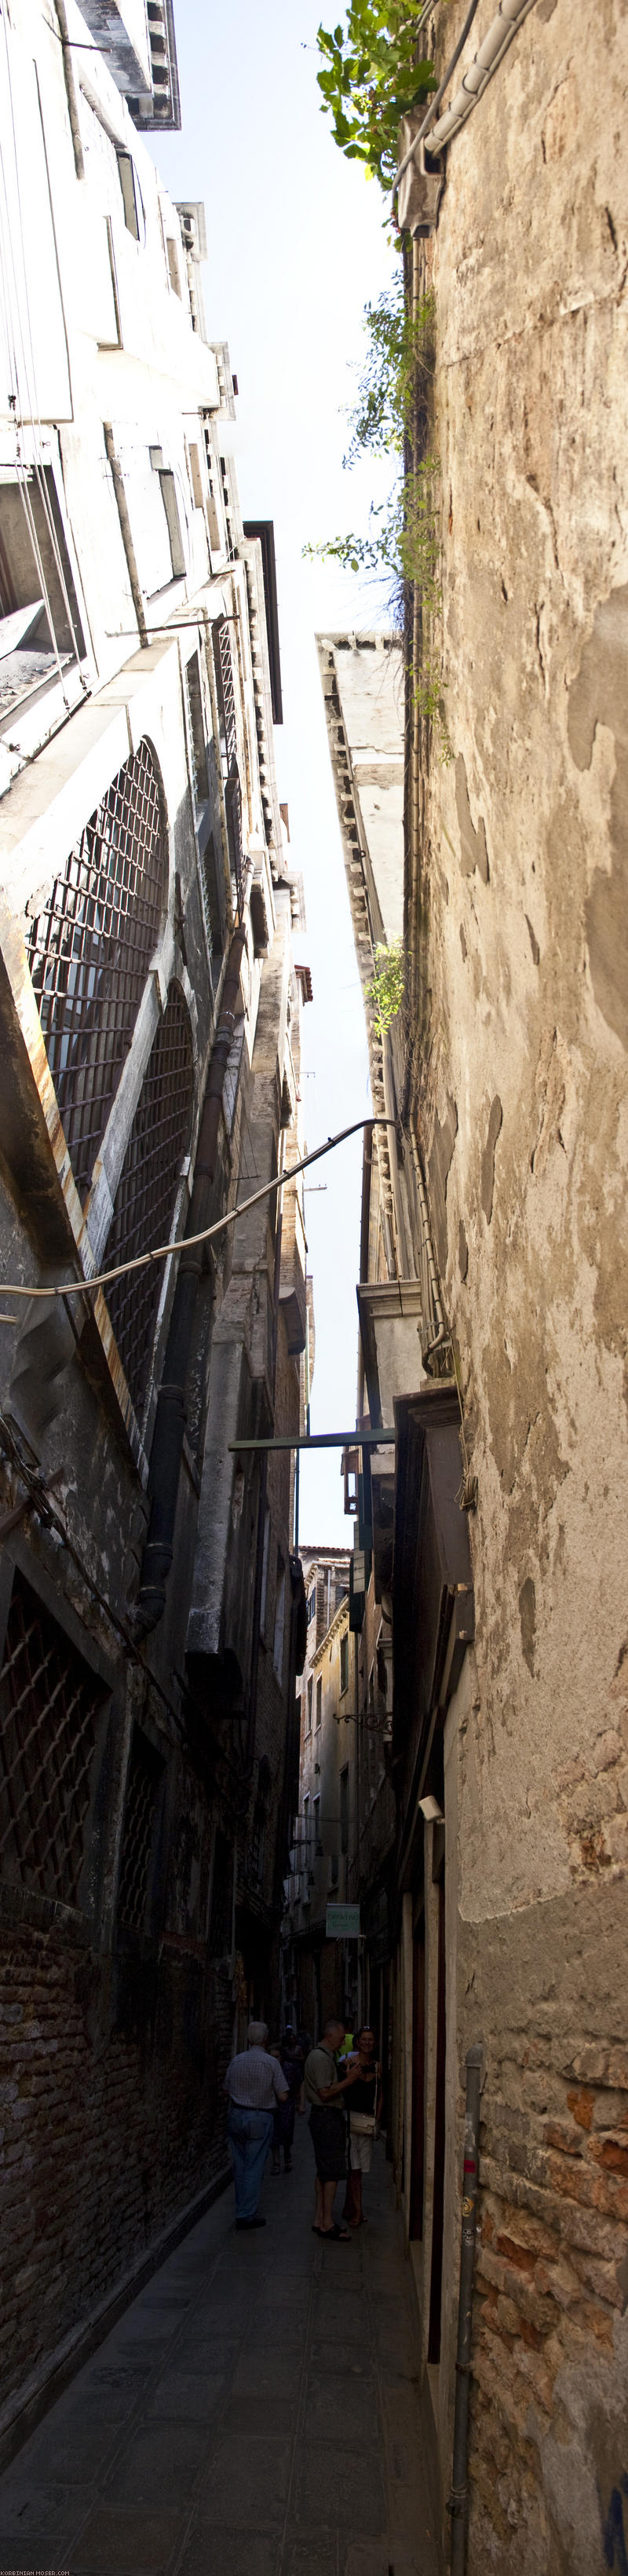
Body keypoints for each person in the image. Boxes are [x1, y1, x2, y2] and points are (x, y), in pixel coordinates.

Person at [224, 2019, 288, 2229]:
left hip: (236, 2115)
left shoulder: (236, 2061)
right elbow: (284, 2096)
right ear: (265, 2039)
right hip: (260, 2117)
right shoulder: (271, 2063)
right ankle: (245, 2214)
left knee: (240, 2165)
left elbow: (227, 2088)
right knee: (254, 2166)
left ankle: (241, 2207)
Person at [304, 2018, 362, 2241]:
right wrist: (351, 2080)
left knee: (324, 2169)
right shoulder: (320, 2058)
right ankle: (327, 2223)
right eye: (340, 2037)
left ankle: (320, 2218)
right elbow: (325, 2093)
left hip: (326, 2117)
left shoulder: (326, 2057)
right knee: (332, 2171)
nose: (342, 2042)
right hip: (327, 2118)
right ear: (330, 2035)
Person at [342, 2025, 383, 2229]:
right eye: (364, 2039)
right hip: (350, 2121)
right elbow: (340, 2090)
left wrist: (377, 2119)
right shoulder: (348, 2063)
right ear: (357, 2042)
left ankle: (350, 2207)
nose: (367, 2043)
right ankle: (358, 2212)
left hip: (367, 2123)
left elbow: (381, 2095)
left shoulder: (378, 2067)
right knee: (354, 2169)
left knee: (360, 2169)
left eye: (371, 2039)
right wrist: (351, 2077)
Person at [271, 2036, 305, 2174]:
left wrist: (301, 2103)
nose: (275, 2060)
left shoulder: (290, 2068)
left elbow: (300, 2083)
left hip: (287, 2105)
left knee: (286, 2132)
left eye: (277, 2057)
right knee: (273, 2134)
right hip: (271, 2105)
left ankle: (287, 2155)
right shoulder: (268, 2068)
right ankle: (276, 2162)